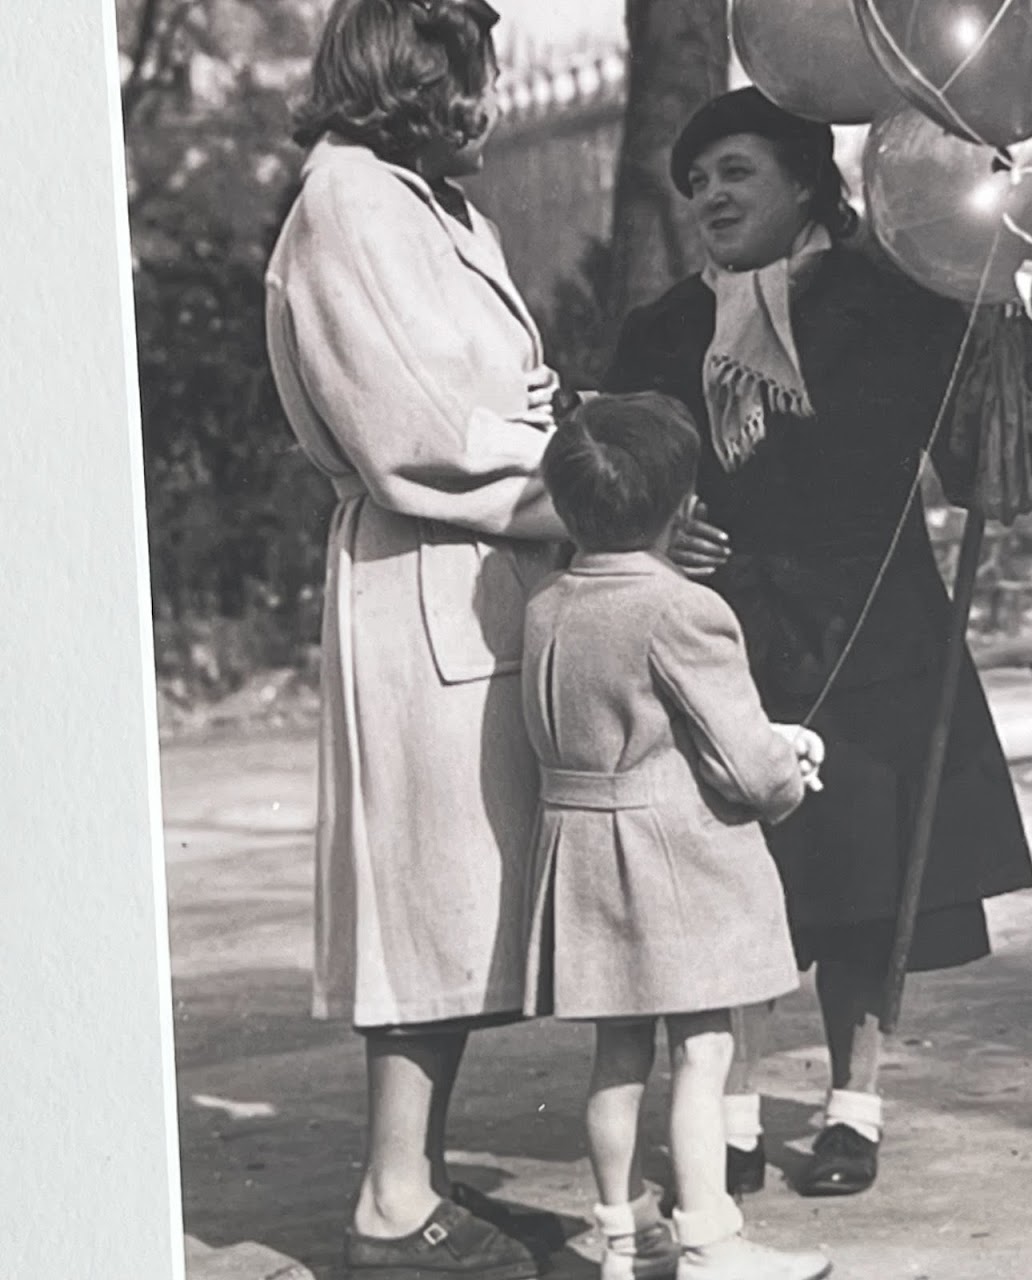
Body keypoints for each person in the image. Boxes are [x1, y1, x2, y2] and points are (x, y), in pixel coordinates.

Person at [605, 87, 1032, 1199]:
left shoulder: (896, 303)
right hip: (726, 638)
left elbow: (971, 450)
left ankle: (855, 1105)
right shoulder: (660, 332)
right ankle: (735, 1116)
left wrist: (1013, 327)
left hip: (870, 623)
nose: (709, 196)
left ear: (805, 181)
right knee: (736, 883)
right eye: (696, 181)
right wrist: (665, 526)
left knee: (862, 879)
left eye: (735, 173)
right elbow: (619, 470)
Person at [264, 2, 568, 1275]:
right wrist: (575, 475)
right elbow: (413, 430)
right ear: (415, 66)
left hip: (485, 569)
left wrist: (556, 420)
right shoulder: (346, 205)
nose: (481, 96)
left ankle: (417, 1180)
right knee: (424, 896)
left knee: (465, 902)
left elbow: (494, 392)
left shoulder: (432, 203)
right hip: (426, 568)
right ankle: (391, 1198)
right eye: (466, 69)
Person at [520, 392, 831, 1280]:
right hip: (672, 862)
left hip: (579, 854)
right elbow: (745, 760)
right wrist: (790, 766)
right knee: (703, 1050)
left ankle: (625, 1238)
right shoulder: (683, 608)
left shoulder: (545, 603)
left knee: (616, 1055)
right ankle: (710, 1241)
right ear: (680, 504)